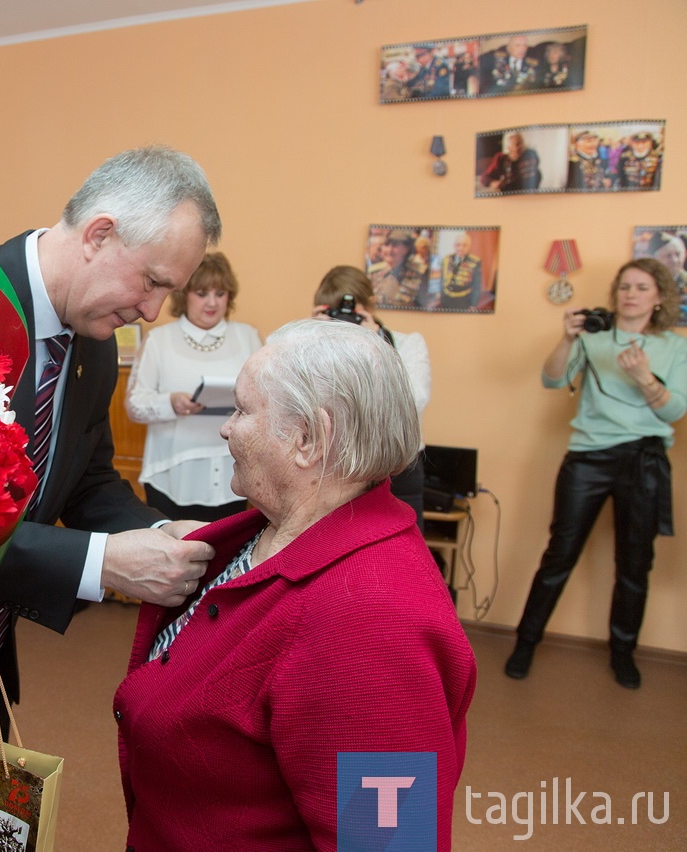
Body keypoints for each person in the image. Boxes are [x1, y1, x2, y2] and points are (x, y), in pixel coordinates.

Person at [115, 319, 475, 851]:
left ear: (308, 438)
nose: (226, 427)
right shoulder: (274, 532)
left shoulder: (369, 626)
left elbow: (388, 842)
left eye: (241, 410)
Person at [0, 146, 223, 736]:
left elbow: (89, 478)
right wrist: (103, 563)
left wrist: (161, 533)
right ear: (99, 234)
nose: (151, 310)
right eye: (152, 282)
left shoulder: (94, 336)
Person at [505, 259, 687, 688]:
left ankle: (623, 652)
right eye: (624, 286)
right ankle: (526, 642)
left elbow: (675, 410)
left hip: (643, 460)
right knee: (560, 553)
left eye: (642, 287)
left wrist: (644, 377)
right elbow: (552, 380)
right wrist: (567, 339)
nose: (630, 294)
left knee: (634, 563)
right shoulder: (594, 335)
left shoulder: (675, 347)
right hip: (588, 457)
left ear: (658, 296)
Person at [125, 251, 263, 522]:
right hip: (173, 473)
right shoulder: (159, 341)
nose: (212, 302)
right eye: (202, 293)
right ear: (183, 295)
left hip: (232, 471)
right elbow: (134, 405)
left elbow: (267, 399)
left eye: (220, 293)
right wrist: (171, 403)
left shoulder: (248, 337)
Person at [313, 265, 431, 529]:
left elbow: (414, 401)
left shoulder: (408, 343)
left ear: (371, 306)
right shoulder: (314, 348)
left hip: (398, 471)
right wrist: (308, 338)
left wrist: (375, 344)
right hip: (334, 469)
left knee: (400, 560)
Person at [373, 228, 428, 307]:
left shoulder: (419, 273)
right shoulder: (374, 272)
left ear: (406, 249)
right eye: (386, 245)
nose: (389, 250)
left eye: (395, 245)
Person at [439, 231, 485, 310]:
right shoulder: (446, 259)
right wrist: (441, 295)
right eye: (458, 245)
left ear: (469, 247)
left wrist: (473, 305)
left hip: (463, 300)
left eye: (464, 245)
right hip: (446, 299)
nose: (461, 248)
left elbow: (477, 285)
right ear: (454, 246)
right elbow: (442, 279)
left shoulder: (475, 262)